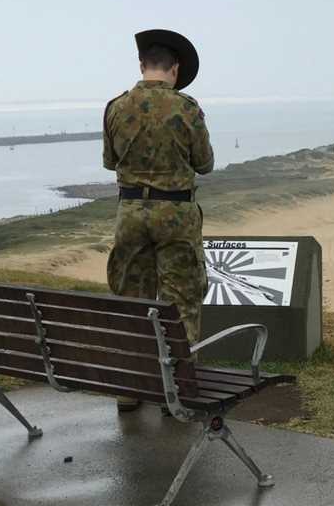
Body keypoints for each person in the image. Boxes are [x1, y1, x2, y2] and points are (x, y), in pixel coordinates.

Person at [103, 29, 214, 412]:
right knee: (181, 299)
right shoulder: (187, 109)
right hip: (177, 215)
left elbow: (110, 161)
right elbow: (205, 164)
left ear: (142, 65)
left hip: (130, 214)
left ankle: (129, 389)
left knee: (132, 298)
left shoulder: (116, 107)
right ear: (175, 68)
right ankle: (177, 391)